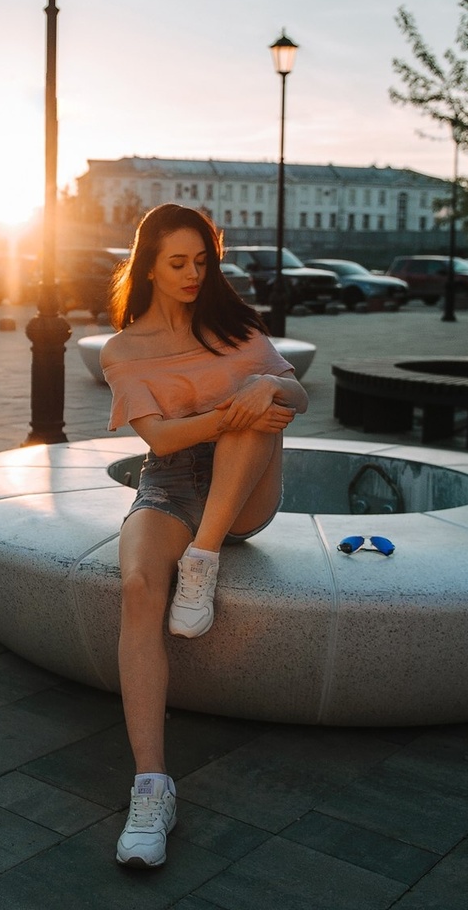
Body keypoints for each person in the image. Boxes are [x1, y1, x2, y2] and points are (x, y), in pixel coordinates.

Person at [100, 204, 308, 868]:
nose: (194, 274)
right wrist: (231, 409)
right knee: (136, 586)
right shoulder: (123, 348)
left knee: (262, 399)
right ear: (149, 267)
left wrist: (264, 387)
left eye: (202, 261)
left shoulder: (235, 325)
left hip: (243, 491)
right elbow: (158, 439)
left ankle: (205, 558)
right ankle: (152, 788)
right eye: (178, 263)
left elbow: (296, 395)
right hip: (167, 481)